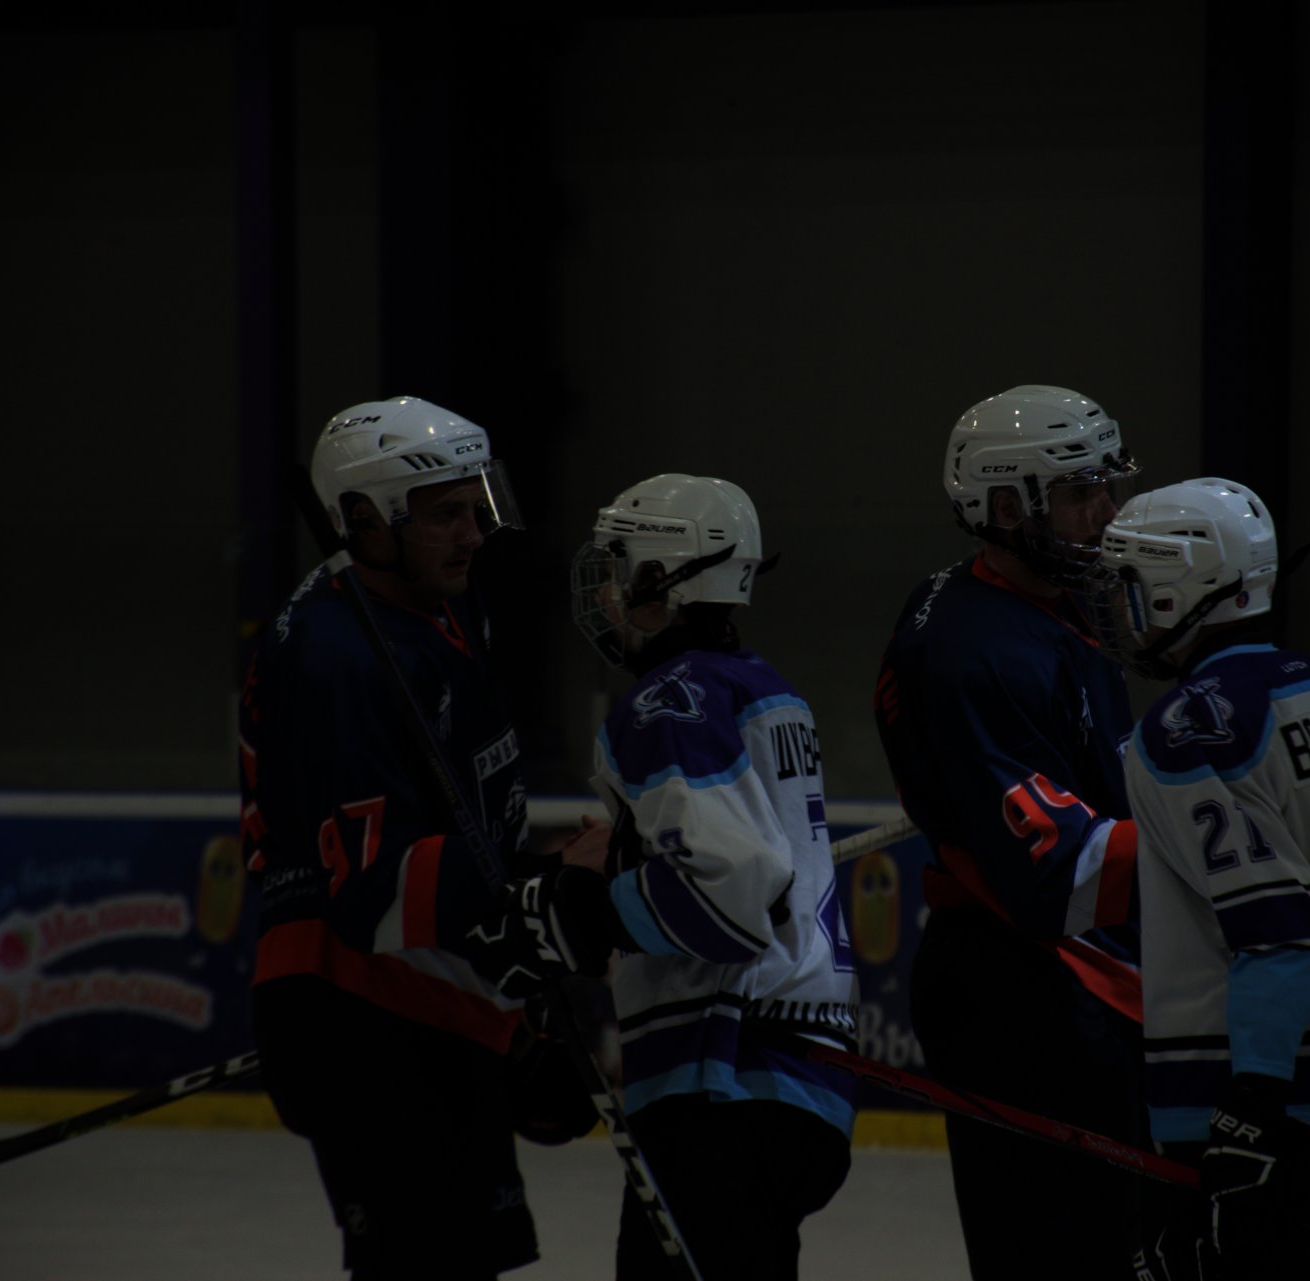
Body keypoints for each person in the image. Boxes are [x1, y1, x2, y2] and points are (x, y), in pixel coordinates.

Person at [240, 396, 616, 1280]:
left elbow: (456, 828)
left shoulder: (438, 607)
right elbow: (375, 888)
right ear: (365, 522)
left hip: (432, 988)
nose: (474, 533)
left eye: (477, 505)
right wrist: (540, 892)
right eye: (445, 513)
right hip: (357, 1005)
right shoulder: (335, 659)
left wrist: (516, 988)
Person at [1094, 477, 1310, 1281]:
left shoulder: (1180, 729)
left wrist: (1251, 1106)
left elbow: (1287, 932)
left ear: (1178, 588)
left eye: (1132, 586)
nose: (1121, 608)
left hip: (1238, 1094)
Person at [873, 385, 1149, 1280]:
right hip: (1026, 991)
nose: (1106, 514)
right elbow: (1057, 876)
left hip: (1048, 977)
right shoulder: (977, 650)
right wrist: (1206, 841)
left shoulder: (1037, 604)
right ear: (1005, 507)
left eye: (1107, 486)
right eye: (1080, 493)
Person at [570, 473, 857, 1281]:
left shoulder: (668, 700)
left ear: (662, 578)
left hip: (723, 1080)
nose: (608, 591)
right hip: (801, 1084)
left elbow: (724, 895)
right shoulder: (767, 689)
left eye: (621, 568)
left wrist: (589, 906)